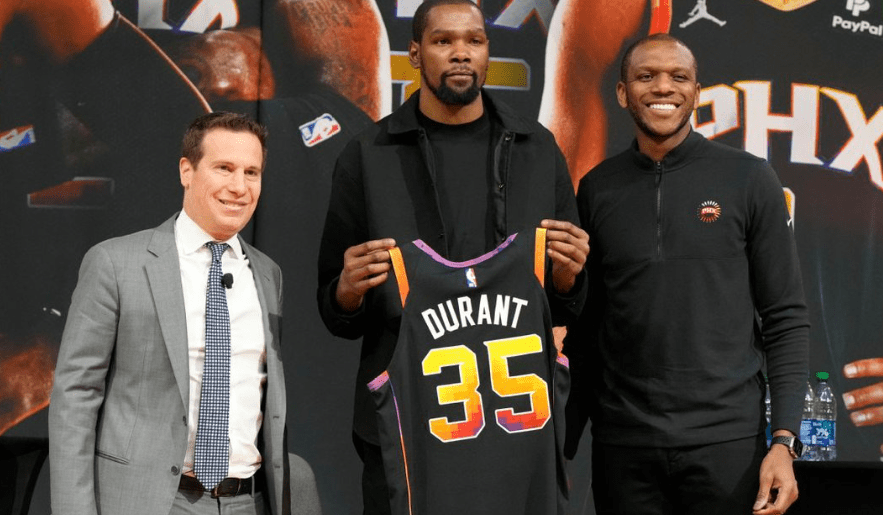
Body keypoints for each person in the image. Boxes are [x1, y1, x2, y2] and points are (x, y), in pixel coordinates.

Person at [316, 0, 589, 512]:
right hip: (407, 425)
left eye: (474, 41)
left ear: (487, 51)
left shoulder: (536, 147)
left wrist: (571, 278)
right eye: (443, 41)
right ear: (415, 53)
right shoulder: (368, 153)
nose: (461, 53)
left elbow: (566, 303)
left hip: (514, 423)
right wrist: (347, 292)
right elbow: (334, 310)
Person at [565, 34, 809, 515]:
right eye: (646, 76)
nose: (663, 87)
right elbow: (587, 328)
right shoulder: (596, 189)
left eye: (678, 77)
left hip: (727, 443)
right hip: (624, 446)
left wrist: (784, 441)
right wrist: (565, 441)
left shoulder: (749, 178)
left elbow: (785, 317)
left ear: (697, 92)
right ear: (622, 93)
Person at [49, 112, 289, 515]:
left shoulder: (268, 274)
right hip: (148, 502)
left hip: (248, 501)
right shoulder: (116, 263)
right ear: (186, 171)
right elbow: (76, 395)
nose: (239, 187)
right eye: (224, 168)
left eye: (252, 172)